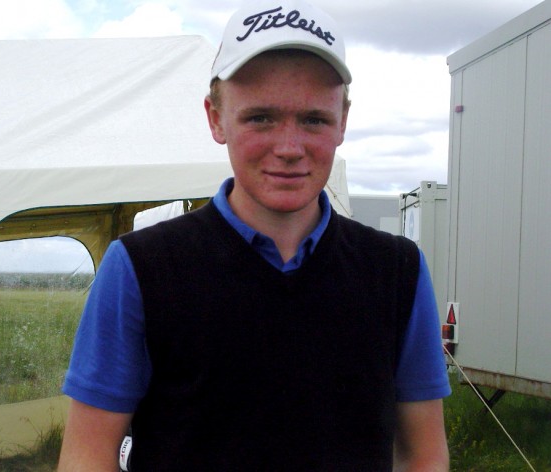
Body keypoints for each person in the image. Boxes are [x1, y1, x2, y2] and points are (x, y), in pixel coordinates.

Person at [58, 0, 451, 470]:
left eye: (314, 119)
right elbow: (87, 456)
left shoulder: (397, 271)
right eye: (260, 117)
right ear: (216, 118)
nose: (289, 147)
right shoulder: (141, 268)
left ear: (343, 121)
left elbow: (425, 454)